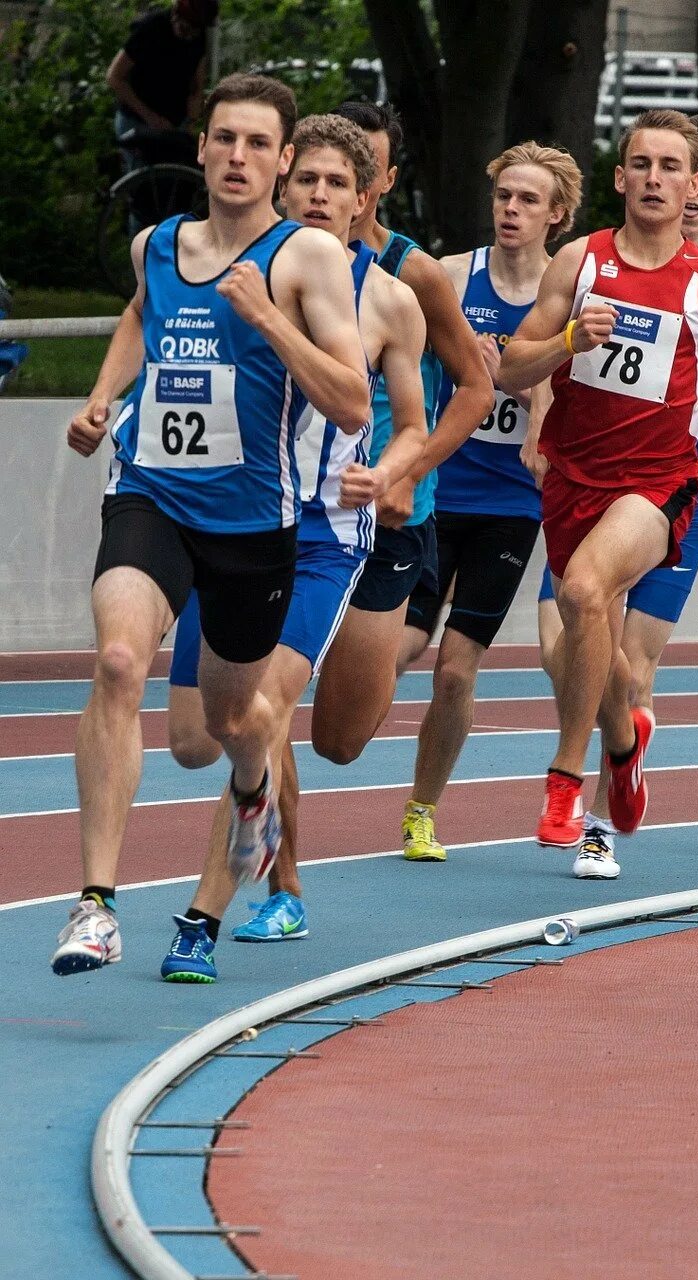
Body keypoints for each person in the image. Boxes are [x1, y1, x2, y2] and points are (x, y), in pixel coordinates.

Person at [51, 74, 370, 976]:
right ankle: (97, 907)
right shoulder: (156, 243)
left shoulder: (304, 257)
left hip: (251, 528)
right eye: (224, 139)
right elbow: (141, 318)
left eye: (257, 144)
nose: (238, 157)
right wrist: (102, 397)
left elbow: (350, 401)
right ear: (200, 148)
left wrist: (267, 316)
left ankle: (255, 792)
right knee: (118, 661)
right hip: (151, 495)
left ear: (279, 160)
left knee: (233, 723)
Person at [158, 114, 428, 978]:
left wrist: (386, 473)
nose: (317, 196)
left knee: (270, 715)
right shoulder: (239, 272)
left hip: (321, 538)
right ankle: (273, 853)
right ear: (283, 184)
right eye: (305, 179)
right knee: (200, 738)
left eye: (335, 185)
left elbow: (417, 422)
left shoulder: (387, 298)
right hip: (232, 520)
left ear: (364, 200)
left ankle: (218, 910)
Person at [499, 108, 698, 851]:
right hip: (573, 478)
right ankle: (623, 745)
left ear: (693, 185)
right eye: (641, 165)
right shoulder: (579, 264)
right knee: (581, 645)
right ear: (621, 177)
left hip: (660, 482)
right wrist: (566, 340)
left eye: (669, 167)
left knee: (585, 592)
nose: (655, 179)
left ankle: (564, 783)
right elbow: (509, 368)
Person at [396, 142, 584, 863]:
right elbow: (397, 352)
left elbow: (568, 384)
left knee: (455, 667)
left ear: (555, 215)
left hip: (510, 506)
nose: (511, 209)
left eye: (528, 200)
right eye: (504, 196)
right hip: (438, 490)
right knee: (402, 648)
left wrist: (540, 418)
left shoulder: (564, 293)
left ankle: (422, 810)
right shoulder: (448, 277)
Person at [307, 102, 494, 767]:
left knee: (338, 741)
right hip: (291, 506)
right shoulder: (273, 259)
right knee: (254, 703)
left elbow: (475, 387)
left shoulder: (412, 275)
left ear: (380, 182)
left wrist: (408, 472)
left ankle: (384, 646)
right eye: (317, 173)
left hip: (386, 512)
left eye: (360, 169)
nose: (331, 188)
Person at [107, 0, 217, 170]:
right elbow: (114, 77)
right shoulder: (150, 28)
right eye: (185, 29)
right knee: (144, 185)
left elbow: (196, 86)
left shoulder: (197, 36)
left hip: (174, 125)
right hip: (137, 120)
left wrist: (191, 122)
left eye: (194, 32)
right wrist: (150, 117)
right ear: (175, 15)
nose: (189, 36)